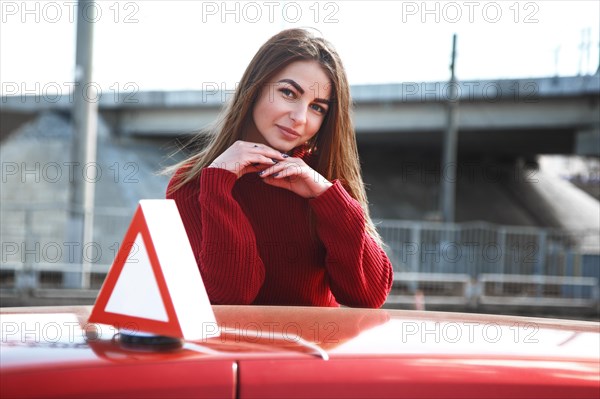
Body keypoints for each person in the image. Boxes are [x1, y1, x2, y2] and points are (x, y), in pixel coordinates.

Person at [166, 28, 393, 308]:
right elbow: (229, 298)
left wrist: (327, 198)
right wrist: (218, 187)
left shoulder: (323, 180)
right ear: (256, 87)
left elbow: (368, 296)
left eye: (317, 108)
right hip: (234, 351)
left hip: (317, 350)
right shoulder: (193, 182)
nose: (299, 117)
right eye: (288, 92)